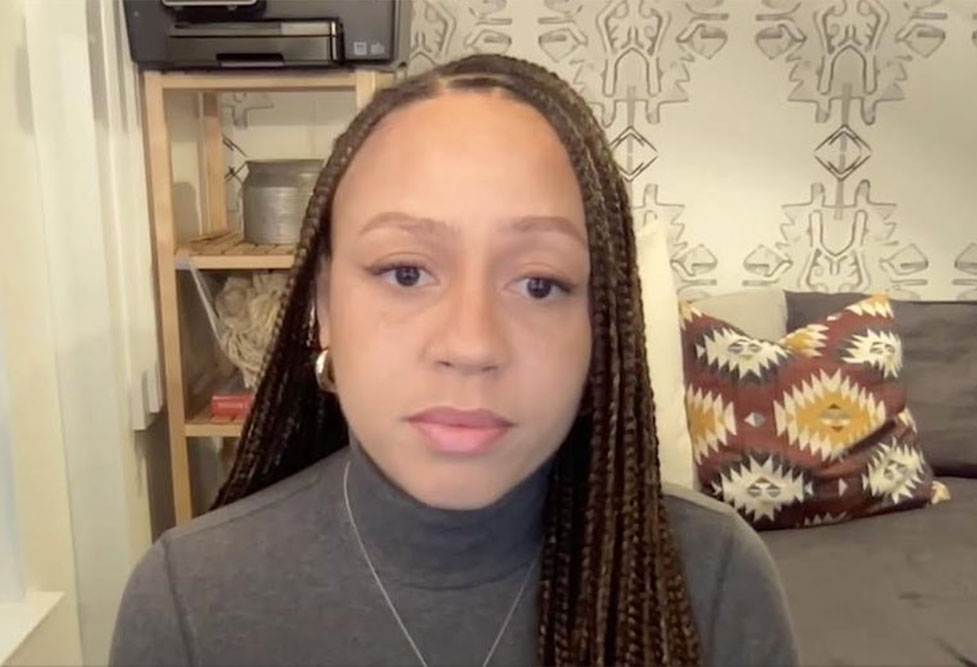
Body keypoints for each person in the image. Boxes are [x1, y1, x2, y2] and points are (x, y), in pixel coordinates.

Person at [109, 54, 799, 667]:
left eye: (539, 283)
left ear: (600, 323)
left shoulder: (713, 579)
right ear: (321, 304)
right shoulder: (190, 602)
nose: (470, 345)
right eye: (406, 271)